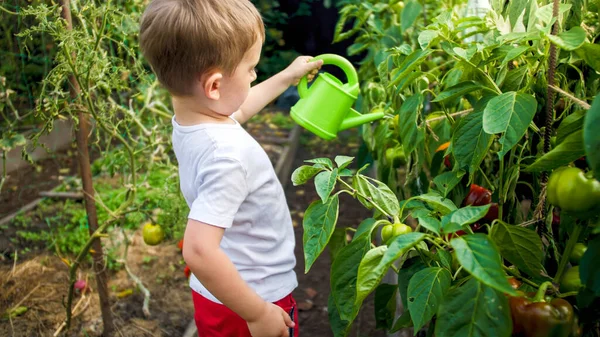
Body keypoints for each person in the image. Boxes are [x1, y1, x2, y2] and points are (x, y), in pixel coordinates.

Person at [139, 1, 323, 336]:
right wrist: (257, 314)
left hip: (219, 296)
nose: (254, 75)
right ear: (214, 87)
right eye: (251, 68)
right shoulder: (228, 156)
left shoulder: (195, 122)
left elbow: (238, 110)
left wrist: (286, 77)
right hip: (251, 298)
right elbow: (198, 249)